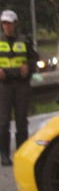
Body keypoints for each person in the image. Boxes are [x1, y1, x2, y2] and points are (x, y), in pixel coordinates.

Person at [0, 10, 39, 166]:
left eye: (10, 23)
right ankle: (4, 154)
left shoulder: (24, 40)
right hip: (4, 85)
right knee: (3, 121)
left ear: (15, 24)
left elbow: (34, 58)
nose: (7, 26)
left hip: (21, 85)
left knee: (22, 120)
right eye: (4, 23)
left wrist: (28, 66)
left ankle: (22, 152)